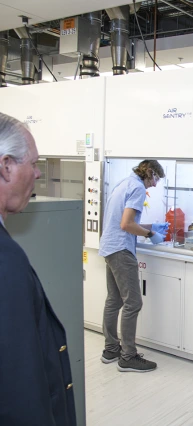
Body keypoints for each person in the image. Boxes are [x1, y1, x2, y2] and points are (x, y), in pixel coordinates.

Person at [0, 113, 76, 425]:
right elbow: (21, 385)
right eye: (33, 163)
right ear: (6, 167)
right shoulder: (6, 260)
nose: (38, 171)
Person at [99, 159, 169, 372]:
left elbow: (124, 220)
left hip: (109, 246)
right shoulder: (138, 187)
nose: (155, 185)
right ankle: (128, 356)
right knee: (133, 303)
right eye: (156, 178)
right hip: (121, 250)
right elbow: (126, 224)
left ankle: (111, 349)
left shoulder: (124, 183)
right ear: (148, 171)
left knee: (114, 300)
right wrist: (150, 234)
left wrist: (151, 226)